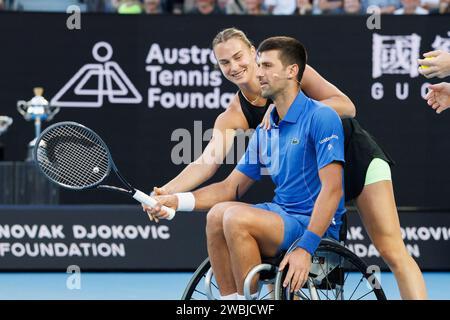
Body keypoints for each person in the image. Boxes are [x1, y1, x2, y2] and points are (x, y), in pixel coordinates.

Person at [145, 28, 427, 299]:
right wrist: (165, 194)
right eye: (224, 62)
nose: (234, 66)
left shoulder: (288, 73)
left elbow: (347, 106)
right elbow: (207, 163)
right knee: (255, 244)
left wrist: (285, 110)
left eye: (239, 57)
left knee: (391, 249)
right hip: (307, 171)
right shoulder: (233, 115)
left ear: (253, 53)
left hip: (356, 159)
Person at [147, 37, 346, 298]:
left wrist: (306, 248)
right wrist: (174, 199)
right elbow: (229, 187)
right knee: (217, 214)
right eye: (259, 66)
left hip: (312, 224)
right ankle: (235, 303)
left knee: (234, 217)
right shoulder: (264, 131)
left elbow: (332, 190)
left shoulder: (322, 116)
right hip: (282, 215)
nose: (258, 73)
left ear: (291, 71)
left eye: (266, 66)